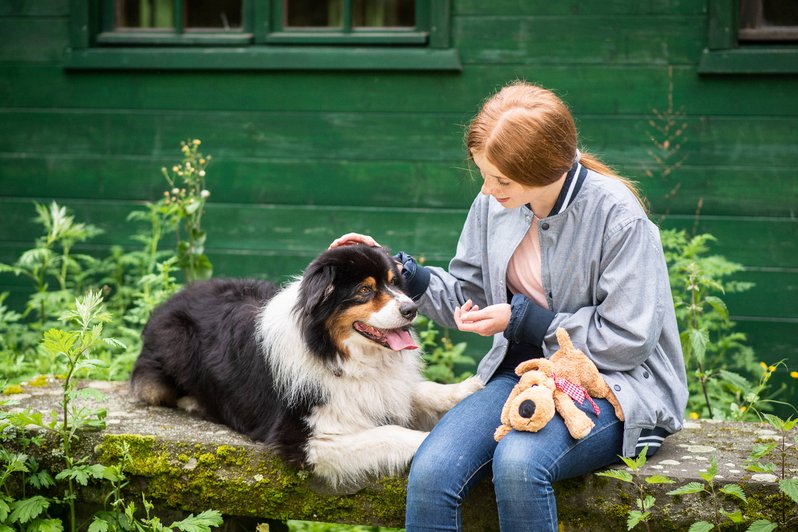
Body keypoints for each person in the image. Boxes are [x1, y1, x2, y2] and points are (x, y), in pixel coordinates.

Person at [329, 81, 688, 532]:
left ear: (547, 168)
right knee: (433, 467)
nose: (487, 188)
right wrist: (399, 272)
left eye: (501, 179)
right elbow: (469, 297)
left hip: (614, 386)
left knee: (518, 464)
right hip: (520, 375)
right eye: (483, 173)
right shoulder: (494, 202)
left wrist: (524, 320)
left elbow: (627, 341)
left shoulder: (619, 217)